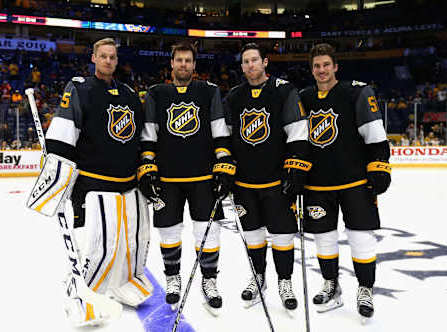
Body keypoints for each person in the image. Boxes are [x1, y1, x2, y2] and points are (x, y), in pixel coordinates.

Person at [27, 38, 153, 326]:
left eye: (113, 57)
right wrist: (57, 179)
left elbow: (141, 137)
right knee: (98, 246)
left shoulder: (130, 94)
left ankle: (125, 281)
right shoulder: (80, 89)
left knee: (132, 243)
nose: (108, 61)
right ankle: (81, 294)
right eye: (103, 56)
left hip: (128, 184)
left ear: (116, 60)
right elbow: (62, 136)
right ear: (94, 58)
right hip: (93, 185)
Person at [299, 43, 391, 321]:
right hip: (317, 184)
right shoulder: (303, 97)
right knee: (324, 238)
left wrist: (380, 166)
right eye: (317, 66)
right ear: (311, 69)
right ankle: (331, 284)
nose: (322, 70)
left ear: (335, 66)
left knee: (361, 237)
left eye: (326, 64)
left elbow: (375, 134)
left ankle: (365, 289)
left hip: (355, 181)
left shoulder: (357, 92)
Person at [139, 41, 233, 313]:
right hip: (168, 178)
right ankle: (172, 278)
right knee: (168, 231)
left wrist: (224, 164)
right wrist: (148, 167)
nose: (183, 65)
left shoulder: (209, 91)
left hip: (203, 176)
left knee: (209, 231)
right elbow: (149, 134)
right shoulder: (156, 93)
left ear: (194, 64)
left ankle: (210, 281)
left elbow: (219, 131)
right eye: (179, 60)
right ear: (171, 63)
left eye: (188, 61)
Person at [224, 43, 311, 313]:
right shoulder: (234, 96)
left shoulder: (284, 91)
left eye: (254, 60)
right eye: (245, 62)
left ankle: (285, 282)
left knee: (283, 235)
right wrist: (224, 167)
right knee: (252, 235)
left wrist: (295, 170)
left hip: (276, 181)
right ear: (242, 67)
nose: (250, 65)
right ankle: (258, 277)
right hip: (244, 182)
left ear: (265, 62)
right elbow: (224, 136)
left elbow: (298, 132)